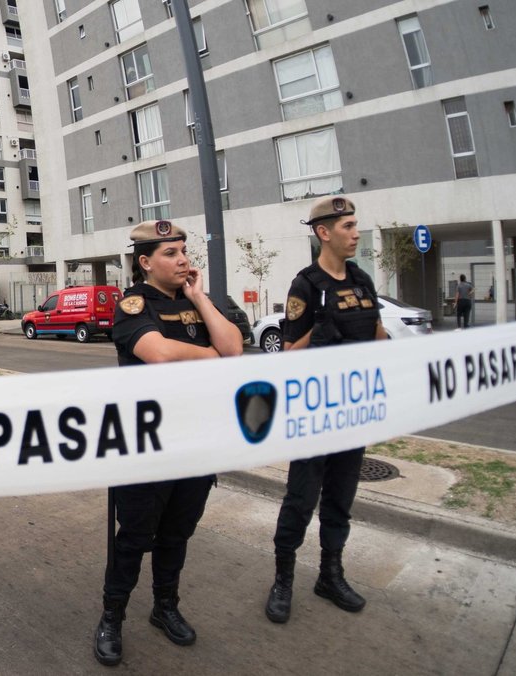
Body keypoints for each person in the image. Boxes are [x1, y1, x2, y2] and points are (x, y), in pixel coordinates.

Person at [94, 219, 244, 667]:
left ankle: (165, 607)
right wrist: (213, 356)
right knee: (134, 537)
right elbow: (157, 354)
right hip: (146, 444)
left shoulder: (203, 302)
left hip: (195, 440)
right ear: (145, 262)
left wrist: (200, 297)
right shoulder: (133, 304)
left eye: (183, 251)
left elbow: (236, 347)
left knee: (177, 533)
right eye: (170, 254)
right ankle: (112, 617)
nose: (182, 260)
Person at [264, 195, 387, 625]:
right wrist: (320, 333)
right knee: (300, 499)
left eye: (355, 226)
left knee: (340, 500)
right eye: (348, 226)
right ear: (323, 232)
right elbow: (290, 355)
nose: (356, 233)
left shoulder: (362, 281)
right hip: (315, 413)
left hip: (352, 411)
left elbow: (378, 337)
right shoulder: (306, 285)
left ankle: (330, 575)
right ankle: (283, 580)